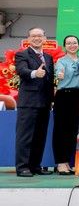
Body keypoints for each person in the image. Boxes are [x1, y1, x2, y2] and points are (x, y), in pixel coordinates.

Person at [14, 27, 55, 177]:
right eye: (33, 36)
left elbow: (50, 80)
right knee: (25, 137)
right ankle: (23, 167)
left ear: (45, 39)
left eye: (39, 36)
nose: (36, 38)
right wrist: (34, 73)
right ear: (28, 39)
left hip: (44, 103)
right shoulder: (22, 55)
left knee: (39, 136)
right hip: (28, 102)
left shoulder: (48, 57)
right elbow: (22, 71)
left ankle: (35, 166)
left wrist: (51, 100)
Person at [52, 35, 79, 175]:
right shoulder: (61, 61)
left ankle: (67, 162)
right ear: (65, 46)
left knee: (72, 131)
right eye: (69, 43)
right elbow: (59, 72)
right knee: (61, 130)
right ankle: (60, 162)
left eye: (74, 43)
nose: (72, 45)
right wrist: (60, 75)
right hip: (64, 96)